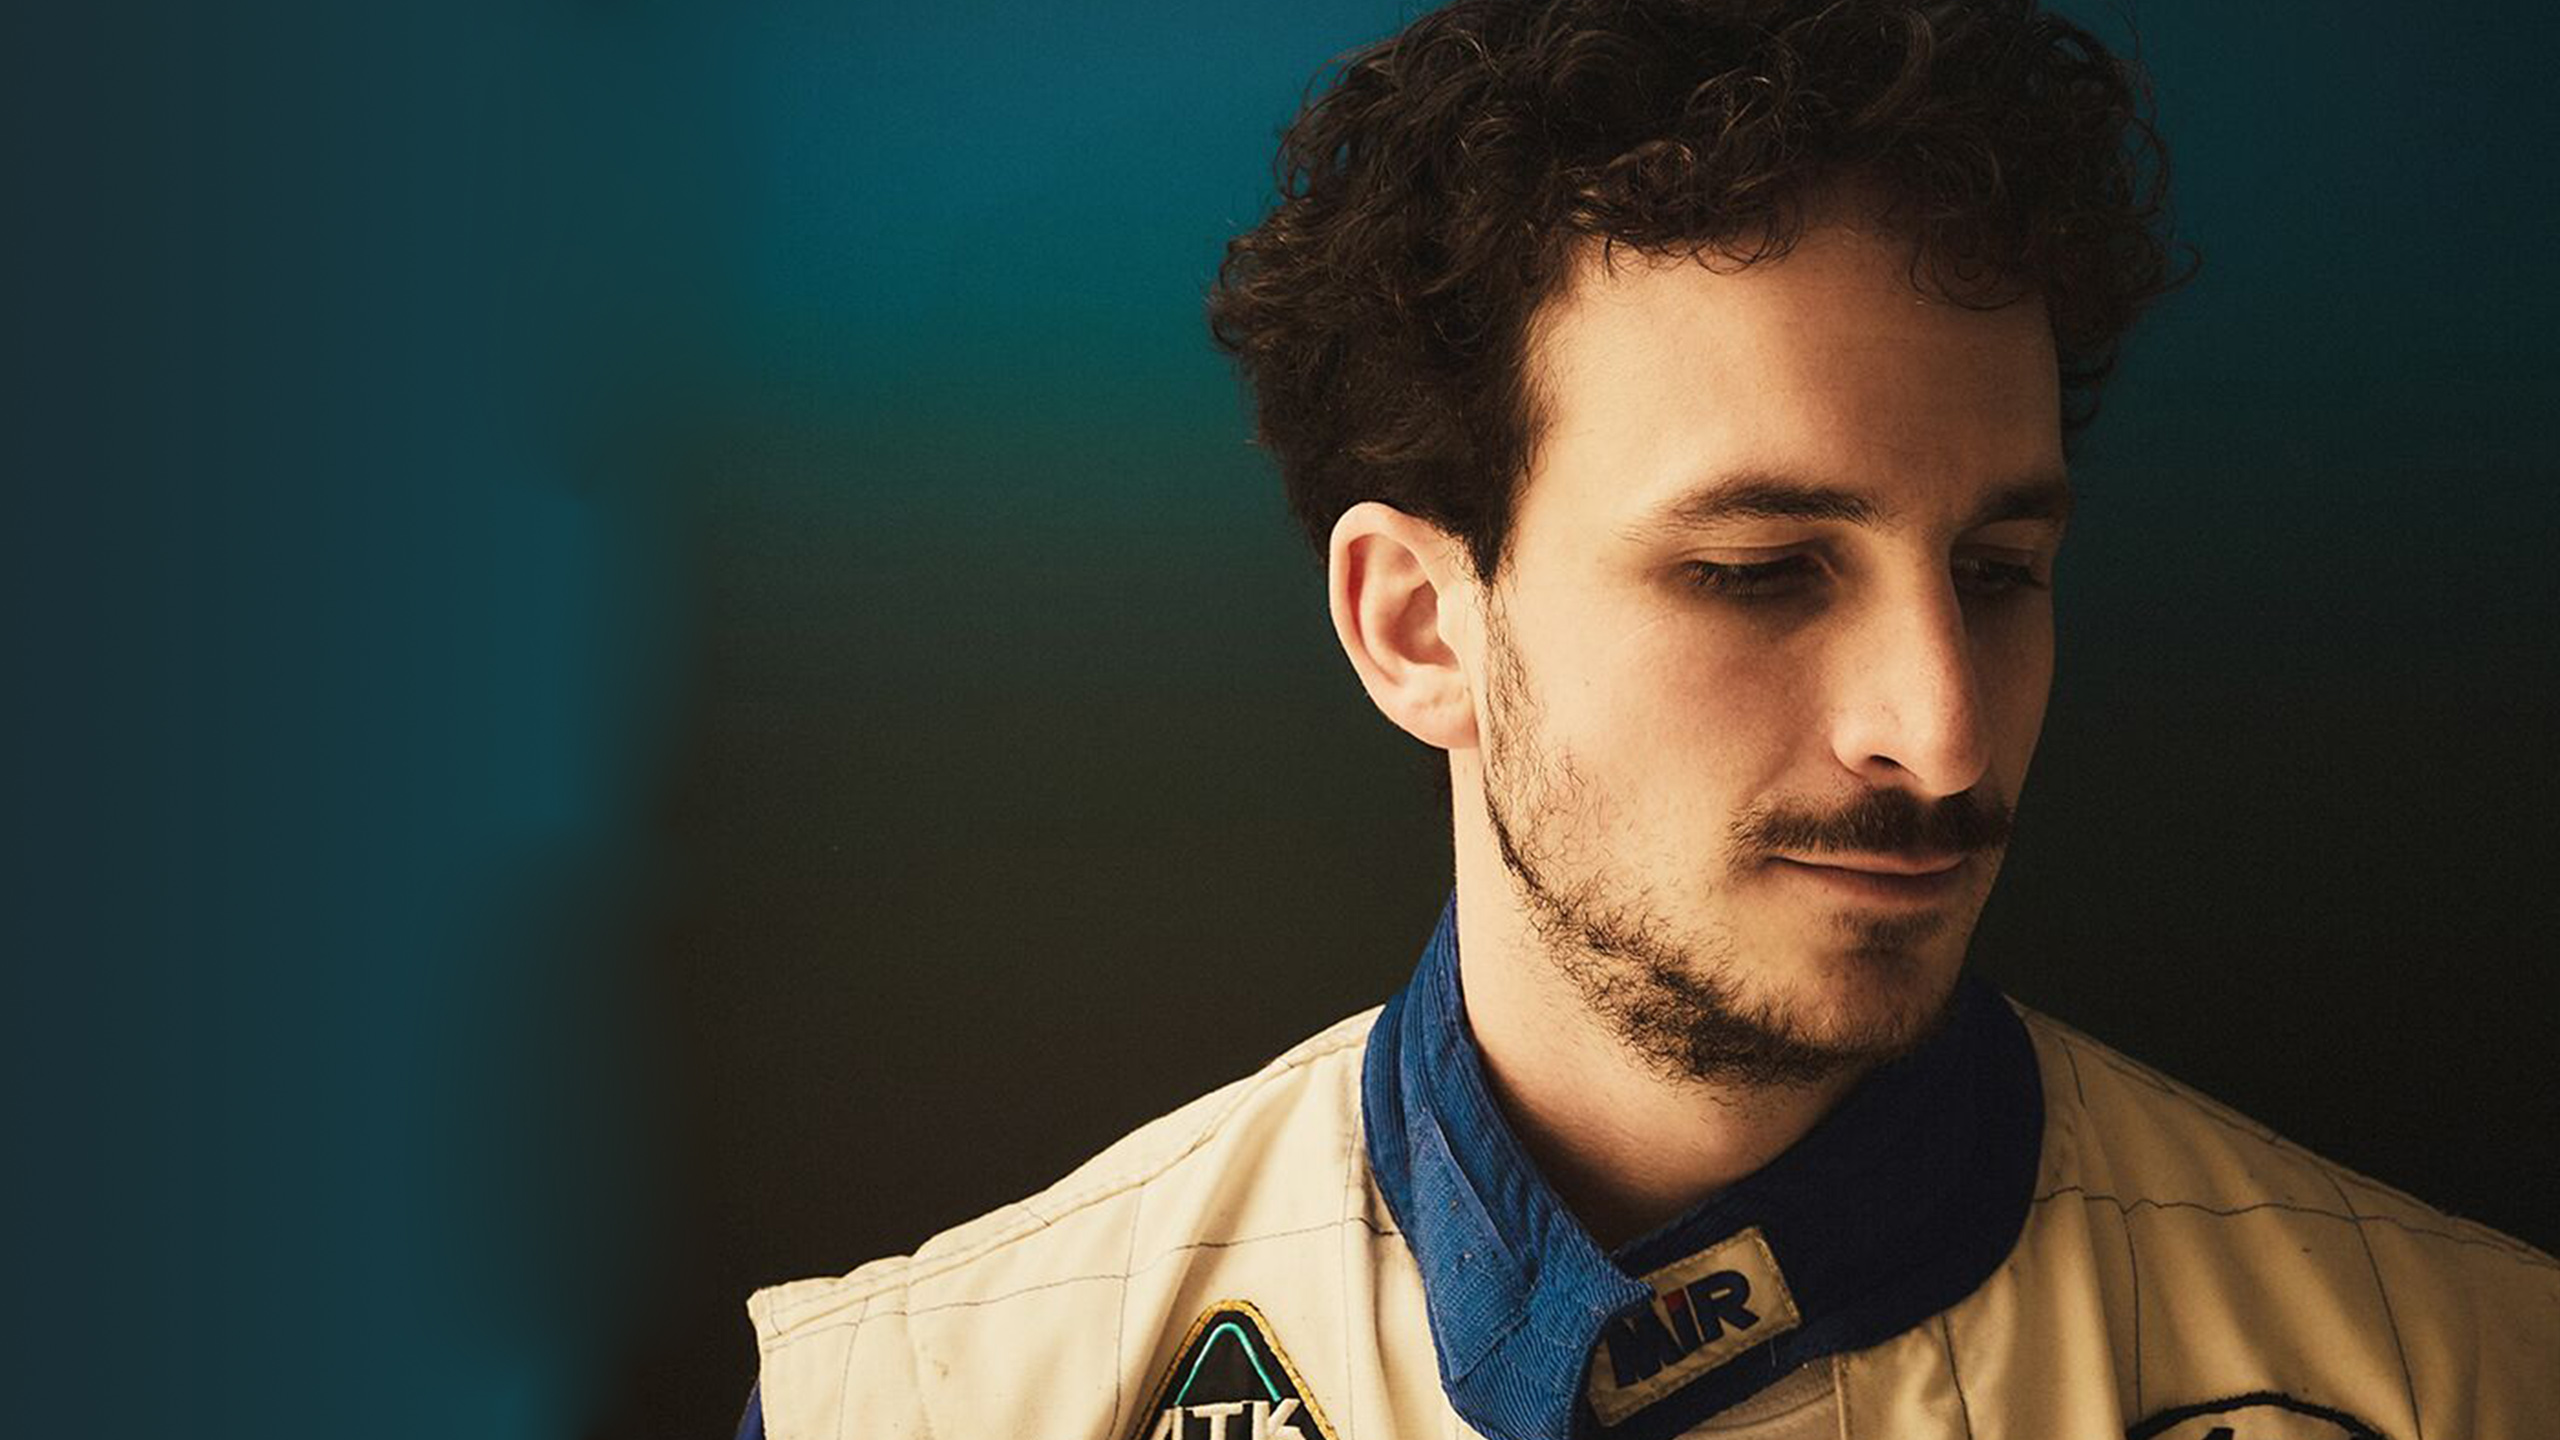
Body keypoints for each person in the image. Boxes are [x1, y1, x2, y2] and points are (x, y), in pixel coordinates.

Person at [733, 2, 2560, 1436]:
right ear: (1420, 626)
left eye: (2000, 570)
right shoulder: (915, 1405)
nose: (1943, 735)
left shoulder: (2469, 1374)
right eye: (1761, 571)